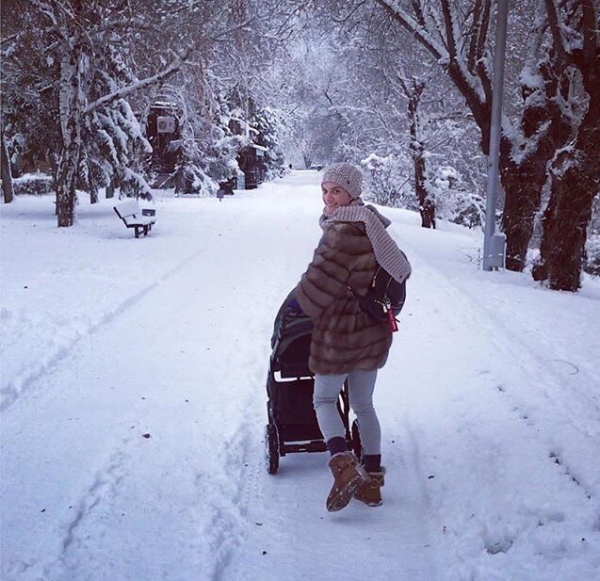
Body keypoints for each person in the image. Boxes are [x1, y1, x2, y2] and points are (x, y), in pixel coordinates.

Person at [294, 162, 411, 512]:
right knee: (363, 405)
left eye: (337, 191)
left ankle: (344, 467)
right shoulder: (371, 223)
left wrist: (293, 309)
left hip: (340, 335)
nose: (329, 198)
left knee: (324, 401)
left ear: (352, 192)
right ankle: (372, 482)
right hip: (371, 333)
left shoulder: (340, 231)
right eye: (326, 191)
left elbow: (316, 287)